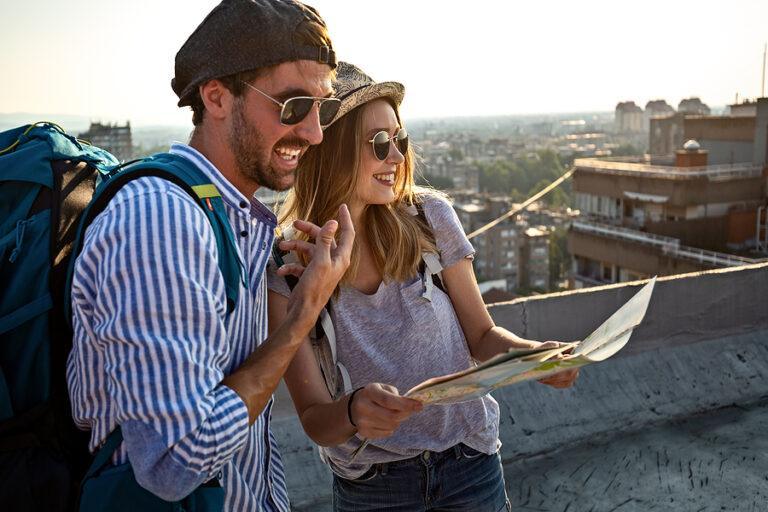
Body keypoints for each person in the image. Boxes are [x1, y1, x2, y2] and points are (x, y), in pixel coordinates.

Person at [66, 1, 354, 510]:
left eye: (323, 108)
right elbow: (175, 461)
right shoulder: (160, 220)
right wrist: (303, 311)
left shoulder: (231, 216)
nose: (314, 133)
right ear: (217, 97)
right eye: (292, 107)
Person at [267, 62, 579, 512]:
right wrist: (354, 411)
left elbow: (482, 336)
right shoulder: (288, 266)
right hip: (375, 489)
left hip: (470, 465)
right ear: (331, 150)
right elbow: (316, 419)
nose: (396, 157)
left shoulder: (431, 219)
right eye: (379, 144)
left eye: (400, 140)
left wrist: (532, 359)